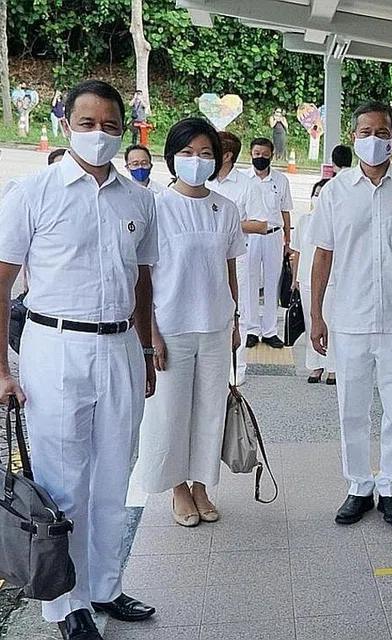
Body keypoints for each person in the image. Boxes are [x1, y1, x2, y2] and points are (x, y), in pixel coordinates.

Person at [0, 79, 158, 639]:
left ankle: (106, 588)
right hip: (54, 345)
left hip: (118, 347)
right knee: (63, 480)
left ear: (125, 131)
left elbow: (142, 282)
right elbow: (3, 280)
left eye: (110, 126)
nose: (99, 135)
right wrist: (1, 368)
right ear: (67, 124)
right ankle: (67, 605)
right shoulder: (32, 192)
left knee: (115, 474)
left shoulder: (138, 198)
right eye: (87, 124)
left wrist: (146, 343)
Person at [305, 101, 392, 526]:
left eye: (382, 132)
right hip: (348, 318)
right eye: (365, 131)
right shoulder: (335, 193)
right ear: (353, 136)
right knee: (352, 405)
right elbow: (322, 257)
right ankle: (358, 485)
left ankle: (391, 489)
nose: (373, 139)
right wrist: (317, 316)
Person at [130, 117, 244, 527]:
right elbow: (143, 277)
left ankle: (201, 485)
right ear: (172, 158)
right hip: (171, 328)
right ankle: (177, 487)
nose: (196, 160)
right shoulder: (155, 207)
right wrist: (152, 335)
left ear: (217, 160)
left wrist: (235, 321)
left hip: (215, 325)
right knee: (170, 412)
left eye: (205, 153)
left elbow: (229, 269)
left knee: (210, 410)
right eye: (187, 153)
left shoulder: (225, 208)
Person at [207, 131, 270, 386]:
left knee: (238, 311)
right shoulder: (204, 181)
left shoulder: (248, 186)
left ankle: (236, 367)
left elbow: (261, 224)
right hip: (205, 256)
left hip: (236, 256)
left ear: (227, 155)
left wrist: (229, 224)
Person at [245, 137, 292, 349]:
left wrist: (287, 241)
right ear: (250, 154)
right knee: (250, 282)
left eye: (264, 155)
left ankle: (270, 331)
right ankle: (252, 329)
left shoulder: (281, 180)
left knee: (273, 282)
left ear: (271, 155)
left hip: (274, 235)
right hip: (251, 236)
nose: (260, 158)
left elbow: (285, 211)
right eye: (257, 154)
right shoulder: (243, 180)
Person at [290, 179, 336, 384]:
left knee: (332, 322)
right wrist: (295, 278)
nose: (318, 197)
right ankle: (315, 365)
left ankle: (333, 367)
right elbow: (297, 251)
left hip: (333, 279)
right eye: (316, 193)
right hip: (306, 279)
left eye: (322, 194)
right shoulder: (304, 221)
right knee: (312, 322)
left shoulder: (337, 221)